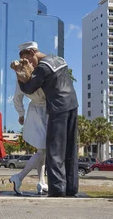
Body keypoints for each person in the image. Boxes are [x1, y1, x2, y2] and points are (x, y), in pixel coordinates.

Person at [13, 42, 79, 198]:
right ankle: (71, 187)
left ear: (32, 52)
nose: (28, 65)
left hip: (58, 107)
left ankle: (57, 189)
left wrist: (20, 76)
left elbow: (29, 88)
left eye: (27, 60)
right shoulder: (59, 59)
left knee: (54, 149)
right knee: (70, 149)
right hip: (72, 104)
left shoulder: (43, 68)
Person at [9, 62, 48, 195]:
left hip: (36, 111)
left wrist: (21, 113)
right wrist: (20, 113)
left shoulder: (22, 79)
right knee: (42, 150)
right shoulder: (37, 74)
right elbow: (17, 97)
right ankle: (19, 177)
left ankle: (42, 181)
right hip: (42, 112)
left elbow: (17, 97)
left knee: (42, 150)